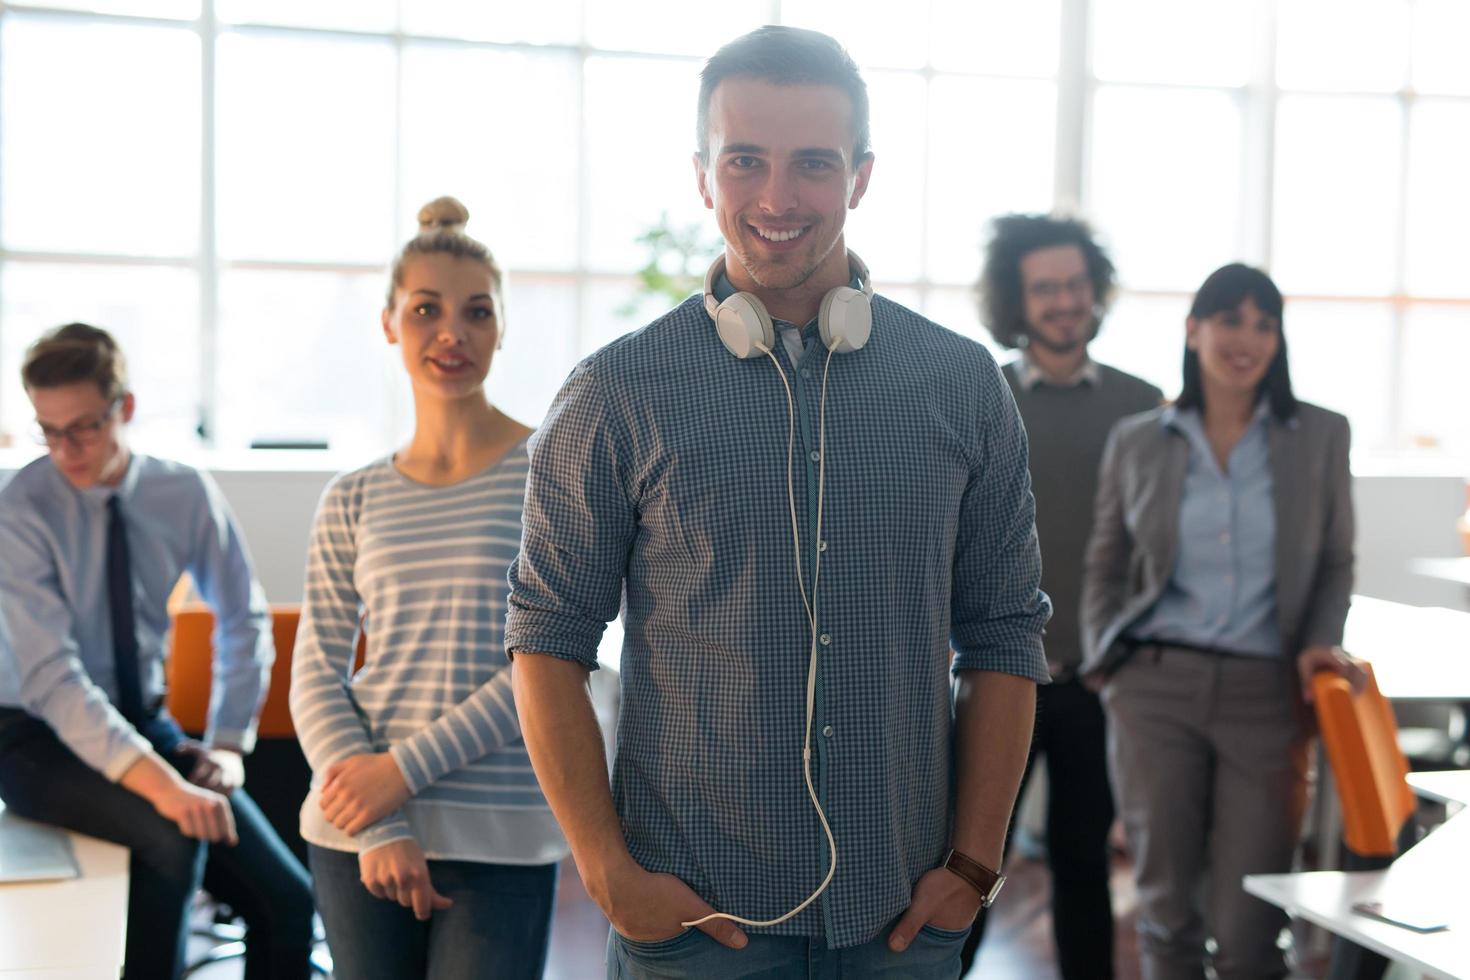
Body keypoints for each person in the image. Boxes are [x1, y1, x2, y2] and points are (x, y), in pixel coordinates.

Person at [506, 26, 1050, 980]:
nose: (776, 197)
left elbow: (1004, 635)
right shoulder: (616, 393)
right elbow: (545, 638)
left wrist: (973, 863)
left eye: (813, 164)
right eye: (745, 161)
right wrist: (606, 872)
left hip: (903, 919)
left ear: (862, 176)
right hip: (694, 919)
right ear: (703, 173)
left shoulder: (962, 386)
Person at [289, 197, 568, 980]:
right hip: (358, 827)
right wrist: (378, 818)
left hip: (501, 826)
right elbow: (316, 670)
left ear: (502, 327)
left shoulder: (552, 476)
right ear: (389, 323)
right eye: (426, 310)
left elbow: (553, 665)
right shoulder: (353, 496)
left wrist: (401, 774)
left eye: (476, 312)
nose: (452, 333)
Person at [0, 323, 315, 980]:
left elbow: (241, 619)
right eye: (47, 430)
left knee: (288, 902)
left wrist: (227, 742)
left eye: (83, 427)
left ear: (126, 408)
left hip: (144, 720)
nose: (66, 450)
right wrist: (164, 788)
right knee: (170, 836)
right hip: (30, 735)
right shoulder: (21, 510)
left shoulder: (183, 493)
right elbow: (54, 681)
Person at [1081, 263, 1363, 980]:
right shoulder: (1138, 439)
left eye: (1264, 324)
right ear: (1193, 330)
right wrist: (1107, 667)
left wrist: (1318, 643)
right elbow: (1106, 564)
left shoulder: (1321, 436)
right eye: (1230, 320)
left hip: (1266, 696)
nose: (1248, 338)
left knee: (1250, 926)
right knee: (1167, 912)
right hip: (1155, 690)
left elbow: (1335, 560)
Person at [961, 213, 1162, 979]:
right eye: (1046, 288)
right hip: (994, 676)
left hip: (1098, 678)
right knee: (970, 863)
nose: (1065, 301)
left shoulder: (1145, 405)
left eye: (1076, 285)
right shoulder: (984, 395)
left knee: (1085, 864)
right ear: (1018, 299)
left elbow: (1158, 550)